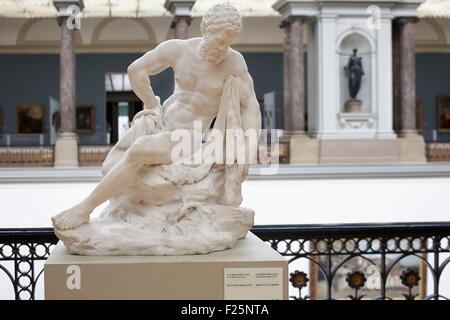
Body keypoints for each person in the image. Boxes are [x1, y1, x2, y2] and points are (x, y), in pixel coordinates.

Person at [52, 3, 261, 231]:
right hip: (162, 121)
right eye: (219, 40)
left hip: (188, 137)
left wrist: (248, 150)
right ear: (205, 30)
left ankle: (84, 209)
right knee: (113, 161)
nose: (223, 48)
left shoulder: (234, 63)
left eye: (229, 42)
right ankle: (129, 208)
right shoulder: (178, 49)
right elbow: (136, 70)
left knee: (138, 151)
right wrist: (152, 104)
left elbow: (250, 105)